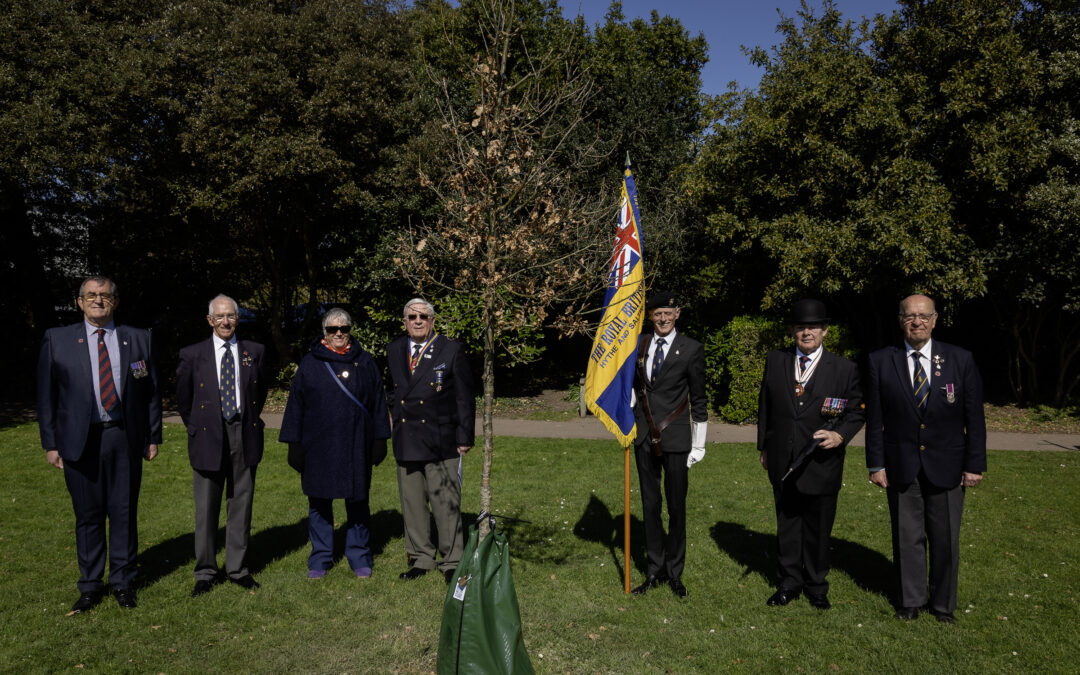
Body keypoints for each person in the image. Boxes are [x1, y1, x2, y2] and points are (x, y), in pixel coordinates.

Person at [37, 275, 161, 613]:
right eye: (91, 295)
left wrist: (153, 437)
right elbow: (46, 398)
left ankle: (123, 581)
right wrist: (50, 443)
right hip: (79, 440)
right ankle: (90, 586)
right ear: (80, 302)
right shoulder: (57, 340)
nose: (98, 300)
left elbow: (150, 392)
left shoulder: (137, 339)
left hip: (124, 437)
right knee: (87, 515)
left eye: (105, 295)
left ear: (115, 301)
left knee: (123, 512)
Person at [866, 294, 987, 623]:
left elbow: (974, 417)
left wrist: (974, 465)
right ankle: (911, 600)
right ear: (900, 320)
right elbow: (875, 419)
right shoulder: (881, 360)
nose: (916, 322)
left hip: (948, 464)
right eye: (909, 316)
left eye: (923, 316)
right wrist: (876, 464)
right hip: (901, 465)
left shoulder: (959, 359)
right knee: (907, 537)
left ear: (935, 320)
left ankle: (944, 604)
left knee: (946, 539)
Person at [757, 299, 864, 610]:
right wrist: (764, 446)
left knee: (818, 528)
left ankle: (817, 586)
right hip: (782, 459)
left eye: (813, 327)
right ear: (793, 330)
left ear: (825, 331)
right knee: (788, 525)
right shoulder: (776, 360)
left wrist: (840, 434)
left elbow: (856, 411)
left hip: (821, 462)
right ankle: (789, 582)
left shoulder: (845, 369)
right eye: (801, 327)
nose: (807, 332)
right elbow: (766, 404)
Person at [279, 308, 390, 579]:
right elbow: (296, 405)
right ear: (324, 333)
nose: (338, 333)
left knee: (358, 501)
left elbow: (377, 402)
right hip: (318, 446)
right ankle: (321, 557)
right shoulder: (310, 363)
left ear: (350, 330)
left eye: (344, 328)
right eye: (332, 329)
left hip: (357, 444)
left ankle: (359, 554)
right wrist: (294, 444)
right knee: (319, 502)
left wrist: (380, 439)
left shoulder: (364, 362)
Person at [176, 294, 267, 598]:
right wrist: (198, 427)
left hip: (244, 432)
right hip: (207, 434)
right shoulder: (192, 354)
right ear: (210, 320)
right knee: (206, 507)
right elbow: (184, 400)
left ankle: (237, 569)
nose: (226, 321)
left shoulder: (255, 351)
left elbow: (259, 393)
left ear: (237, 319)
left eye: (231, 316)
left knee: (240, 504)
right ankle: (205, 571)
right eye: (220, 316)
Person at [385, 298, 475, 584]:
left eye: (424, 316)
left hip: (441, 437)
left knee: (444, 502)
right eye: (412, 316)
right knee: (412, 503)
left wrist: (464, 436)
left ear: (433, 320)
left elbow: (464, 396)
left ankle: (451, 560)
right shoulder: (395, 349)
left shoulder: (451, 349)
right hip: (407, 437)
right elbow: (391, 390)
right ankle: (421, 557)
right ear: (405, 321)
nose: (418, 321)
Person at [630, 291, 707, 598]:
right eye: (657, 314)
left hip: (676, 438)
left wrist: (698, 444)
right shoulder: (640, 344)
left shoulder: (691, 349)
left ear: (678, 313)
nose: (662, 319)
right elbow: (634, 387)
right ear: (651, 316)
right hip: (644, 435)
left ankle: (675, 573)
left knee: (676, 507)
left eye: (668, 313)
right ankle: (653, 569)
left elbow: (699, 399)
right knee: (650, 506)